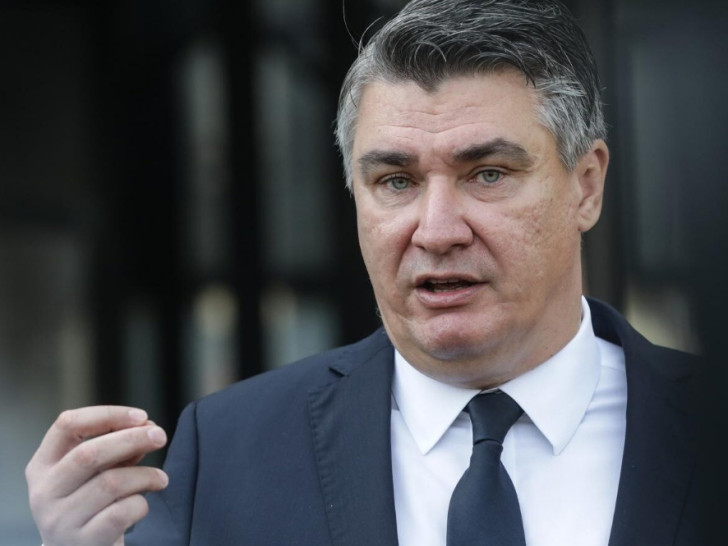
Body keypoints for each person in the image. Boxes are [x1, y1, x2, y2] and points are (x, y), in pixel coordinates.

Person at [25, 0, 701, 544]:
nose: (436, 230)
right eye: (396, 181)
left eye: (488, 174)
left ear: (586, 186)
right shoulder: (229, 453)